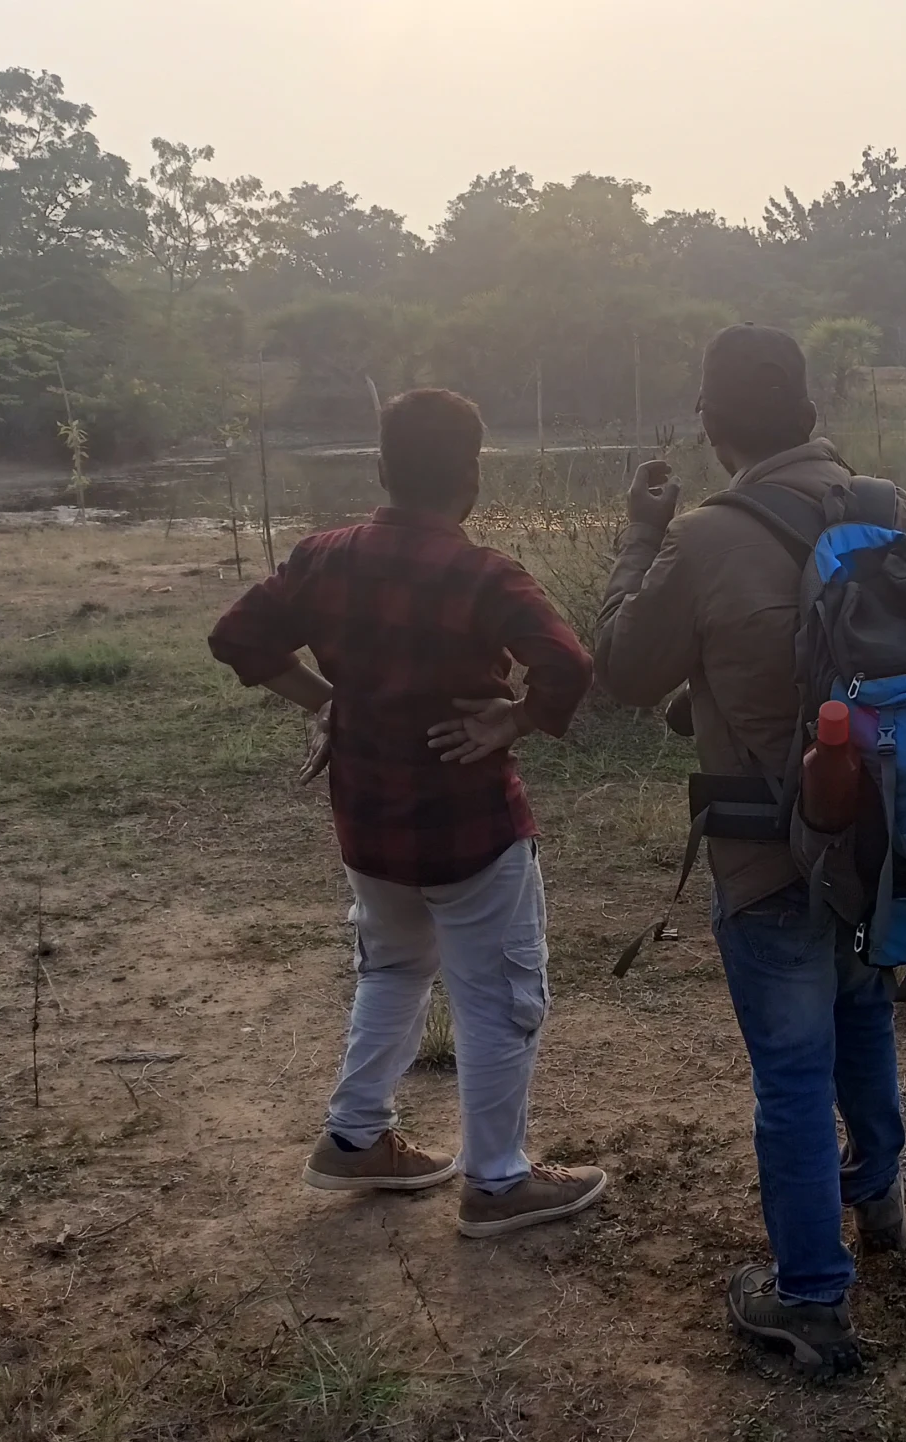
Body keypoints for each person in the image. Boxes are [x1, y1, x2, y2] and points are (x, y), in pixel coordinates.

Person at [594, 324, 906, 1377]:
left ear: (712, 425)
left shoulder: (702, 538)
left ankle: (812, 1299)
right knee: (863, 1014)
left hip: (768, 854)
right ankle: (880, 1200)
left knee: (791, 1072)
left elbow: (620, 670)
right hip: (878, 840)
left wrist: (639, 538)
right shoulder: (887, 506)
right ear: (808, 409)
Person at [208, 386, 608, 1239]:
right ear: (471, 478)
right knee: (498, 996)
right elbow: (568, 664)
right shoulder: (484, 574)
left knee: (392, 969)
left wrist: (327, 702)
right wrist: (517, 719)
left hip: (369, 824)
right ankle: (497, 1182)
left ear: (383, 469)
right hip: (472, 829)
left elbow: (236, 636)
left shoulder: (323, 557)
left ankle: (356, 1138)